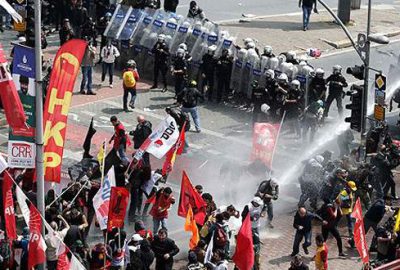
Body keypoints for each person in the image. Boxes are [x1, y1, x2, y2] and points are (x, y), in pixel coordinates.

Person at [241, 197, 265, 270]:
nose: (258, 205)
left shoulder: (260, 205)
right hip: (249, 226)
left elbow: (264, 208)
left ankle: (257, 251)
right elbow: (243, 215)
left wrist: (263, 213)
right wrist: (251, 218)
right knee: (248, 239)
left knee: (256, 239)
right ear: (254, 203)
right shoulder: (248, 206)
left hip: (256, 225)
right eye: (257, 204)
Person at [338, 181, 357, 248]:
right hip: (342, 208)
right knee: (337, 219)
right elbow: (340, 199)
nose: (352, 189)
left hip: (347, 209)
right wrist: (340, 209)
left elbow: (351, 200)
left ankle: (350, 232)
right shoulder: (345, 191)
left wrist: (351, 208)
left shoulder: (349, 191)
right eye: (351, 188)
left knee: (350, 221)